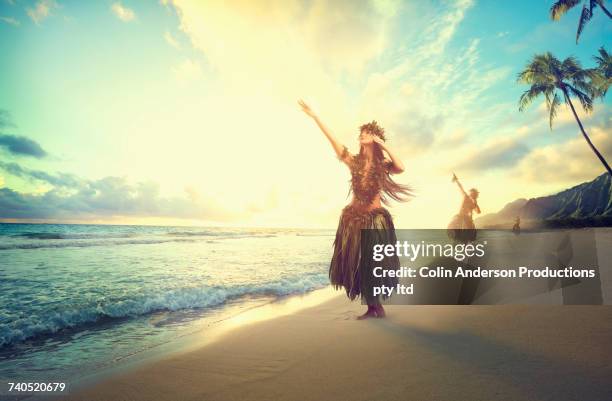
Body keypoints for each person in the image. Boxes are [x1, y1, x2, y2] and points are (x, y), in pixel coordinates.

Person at [299, 99, 412, 319]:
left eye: (367, 132)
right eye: (361, 132)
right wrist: (315, 117)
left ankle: (376, 305)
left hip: (375, 221)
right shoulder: (354, 162)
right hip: (352, 220)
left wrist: (383, 144)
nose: (361, 135)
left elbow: (401, 167)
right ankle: (372, 307)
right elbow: (334, 141)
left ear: (375, 137)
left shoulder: (384, 165)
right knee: (359, 264)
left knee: (374, 263)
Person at [448, 173, 480, 243]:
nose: (474, 195)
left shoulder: (473, 203)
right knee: (452, 226)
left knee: (472, 232)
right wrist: (456, 180)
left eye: (475, 194)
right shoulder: (466, 196)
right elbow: (461, 187)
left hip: (466, 218)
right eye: (473, 194)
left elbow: (478, 212)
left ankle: (466, 242)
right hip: (460, 216)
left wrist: (475, 202)